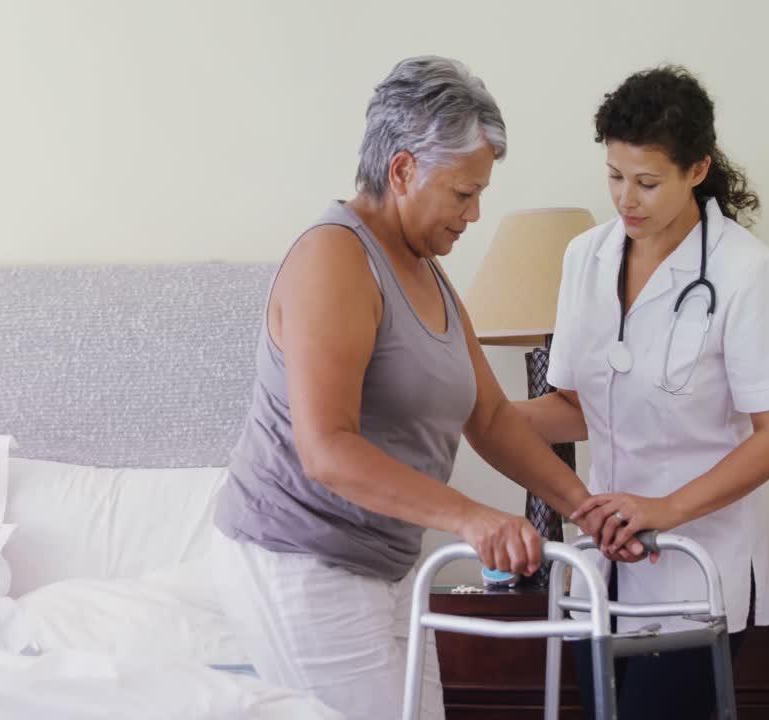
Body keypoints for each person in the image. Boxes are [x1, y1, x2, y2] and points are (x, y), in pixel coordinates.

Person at [209, 55, 600, 719]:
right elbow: (326, 448)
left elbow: (490, 418)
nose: (474, 213)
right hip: (301, 558)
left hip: (387, 565)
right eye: (463, 193)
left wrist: (586, 509)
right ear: (402, 171)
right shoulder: (334, 258)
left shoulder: (426, 269)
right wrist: (470, 516)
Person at [515, 65, 769, 720]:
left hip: (695, 563)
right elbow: (574, 410)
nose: (627, 200)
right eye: (614, 176)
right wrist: (478, 413)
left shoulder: (745, 271)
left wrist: (666, 509)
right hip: (602, 566)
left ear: (697, 169)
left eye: (647, 182)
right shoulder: (584, 258)